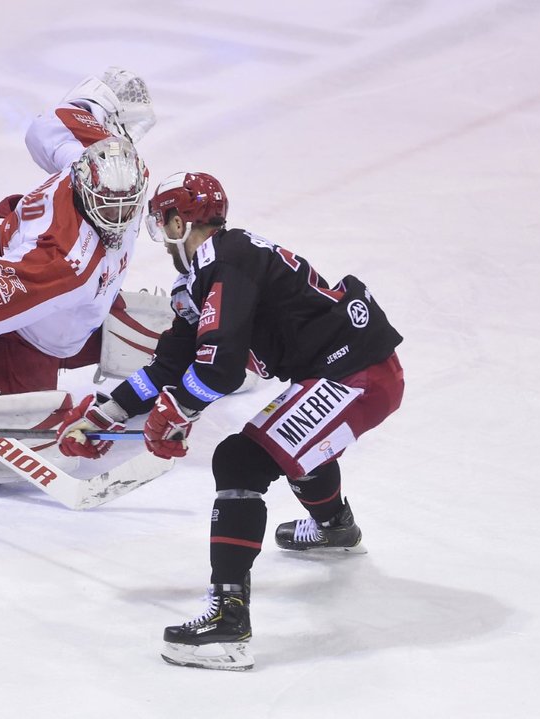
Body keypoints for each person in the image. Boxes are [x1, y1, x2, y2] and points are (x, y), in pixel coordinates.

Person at [55, 171, 405, 671]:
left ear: (179, 221)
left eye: (163, 222)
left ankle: (228, 623)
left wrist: (180, 410)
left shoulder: (227, 258)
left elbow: (218, 369)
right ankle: (334, 528)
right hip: (344, 370)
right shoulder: (204, 275)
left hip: (358, 373)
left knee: (241, 459)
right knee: (292, 441)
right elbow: (169, 367)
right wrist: (104, 415)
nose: (162, 235)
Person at [0, 67, 156, 395]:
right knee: (2, 432)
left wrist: (98, 103)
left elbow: (49, 126)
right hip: (16, 327)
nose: (117, 217)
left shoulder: (94, 162)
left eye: (126, 205)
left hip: (11, 249)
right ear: (85, 187)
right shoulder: (66, 260)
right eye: (106, 206)